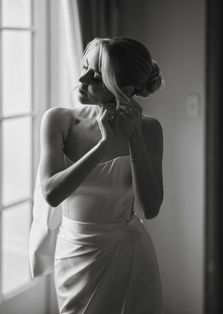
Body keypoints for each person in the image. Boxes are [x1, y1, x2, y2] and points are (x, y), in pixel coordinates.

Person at [40, 37, 164, 314]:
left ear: (124, 89)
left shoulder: (149, 130)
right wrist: (102, 146)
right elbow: (51, 193)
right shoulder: (60, 120)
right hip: (74, 253)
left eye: (95, 75)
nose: (81, 78)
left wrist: (134, 138)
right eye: (84, 67)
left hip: (128, 254)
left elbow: (150, 209)